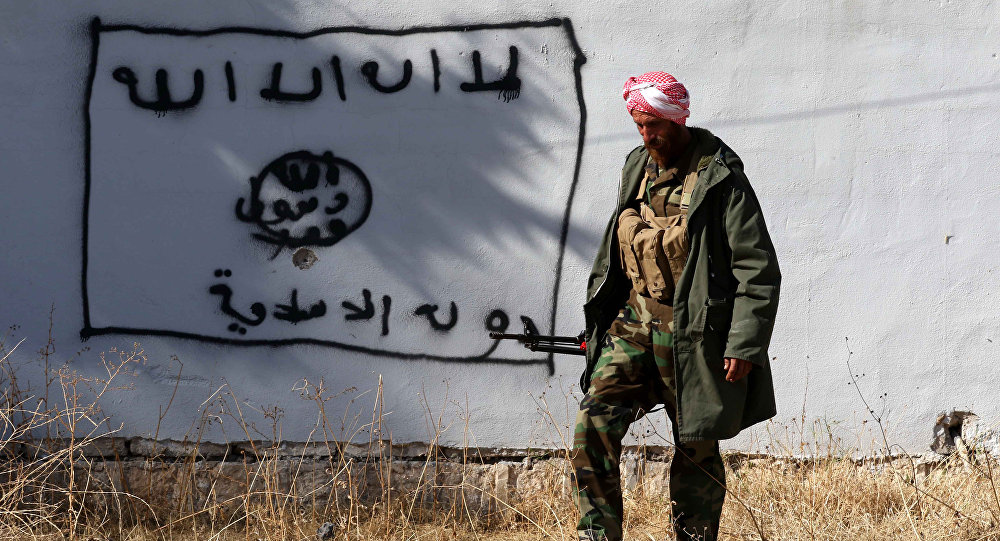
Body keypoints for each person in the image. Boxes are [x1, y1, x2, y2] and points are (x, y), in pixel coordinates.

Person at [574, 71, 781, 541]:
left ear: (677, 119)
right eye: (639, 126)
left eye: (654, 126)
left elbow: (758, 269)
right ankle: (596, 534)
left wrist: (744, 345)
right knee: (594, 423)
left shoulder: (721, 179)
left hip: (695, 336)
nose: (647, 136)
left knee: (696, 448)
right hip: (633, 325)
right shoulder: (636, 166)